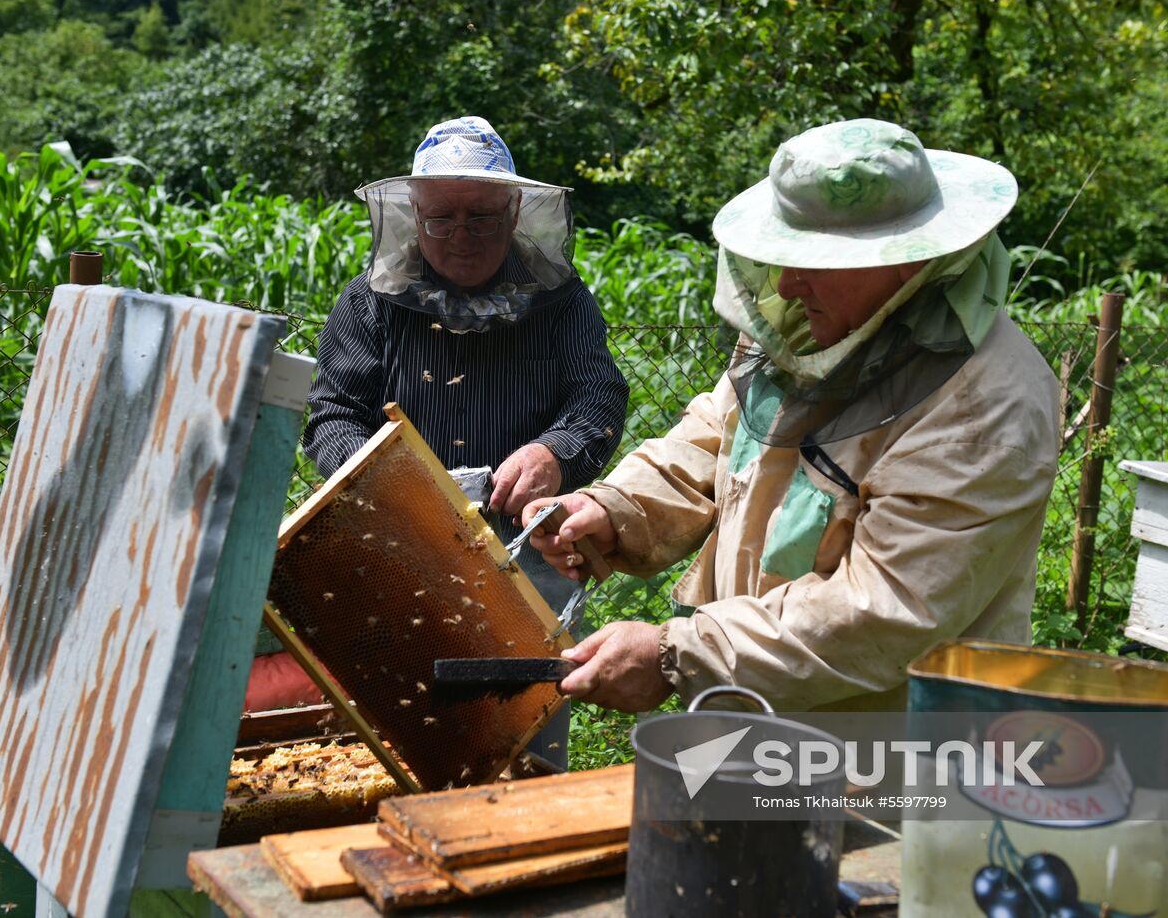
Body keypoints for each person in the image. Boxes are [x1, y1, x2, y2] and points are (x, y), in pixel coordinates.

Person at [527, 118, 1060, 714]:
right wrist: (615, 507)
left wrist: (679, 654)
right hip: (756, 709)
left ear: (911, 260)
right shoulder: (816, 332)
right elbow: (718, 433)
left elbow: (887, 610)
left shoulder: (986, 405)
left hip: (887, 753)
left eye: (817, 260)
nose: (785, 282)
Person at [248, 117, 629, 768]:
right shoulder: (370, 304)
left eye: (480, 216)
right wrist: (390, 482)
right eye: (442, 218)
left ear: (513, 211)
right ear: (412, 215)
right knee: (400, 740)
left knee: (523, 741)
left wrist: (554, 452)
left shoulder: (560, 301)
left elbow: (598, 396)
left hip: (522, 551)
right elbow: (333, 416)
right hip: (398, 551)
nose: (461, 235)